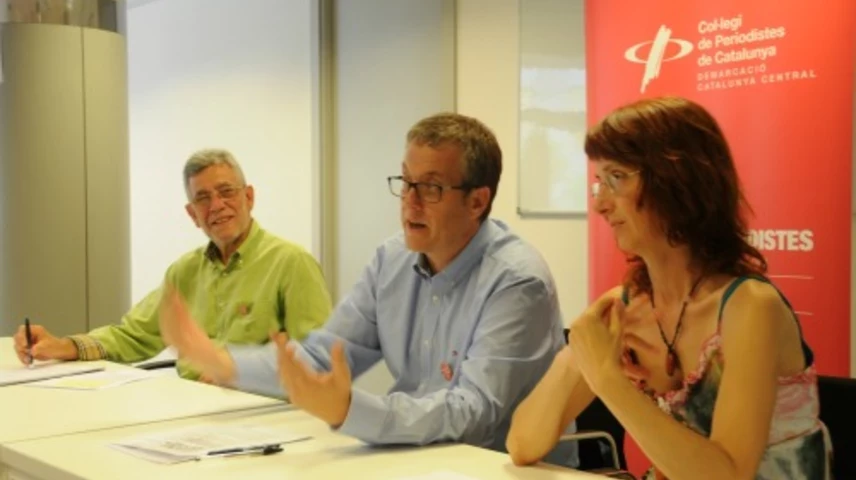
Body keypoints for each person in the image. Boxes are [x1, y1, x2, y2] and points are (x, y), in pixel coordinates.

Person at [160, 113, 566, 452]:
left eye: (431, 187)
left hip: (494, 466)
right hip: (413, 458)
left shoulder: (517, 281)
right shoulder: (392, 260)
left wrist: (350, 409)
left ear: (477, 201)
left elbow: (473, 413)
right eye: (406, 183)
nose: (410, 201)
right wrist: (223, 362)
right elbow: (323, 356)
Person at [506, 96, 832, 479]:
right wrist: (586, 357)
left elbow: (725, 475)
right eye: (599, 183)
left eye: (617, 177)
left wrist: (607, 379)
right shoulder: (625, 308)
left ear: (676, 181)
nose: (601, 205)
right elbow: (524, 444)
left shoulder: (749, 306)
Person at [12, 149, 333, 380]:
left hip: (262, 414)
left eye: (226, 192)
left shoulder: (292, 264)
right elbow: (133, 335)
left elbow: (319, 363)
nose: (217, 205)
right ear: (192, 214)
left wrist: (235, 370)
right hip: (189, 410)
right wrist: (64, 346)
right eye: (203, 198)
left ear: (249, 197)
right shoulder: (185, 271)